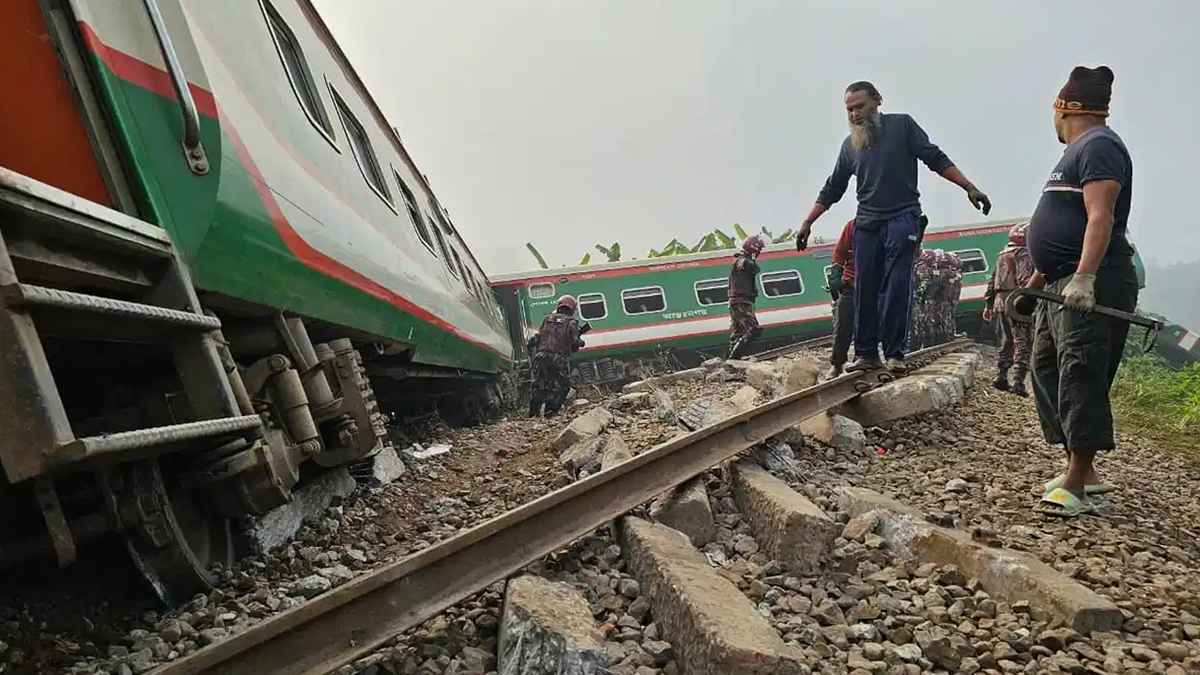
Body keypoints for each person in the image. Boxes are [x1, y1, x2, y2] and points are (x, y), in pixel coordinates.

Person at [795, 81, 991, 372]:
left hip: (903, 217)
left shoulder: (902, 126)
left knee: (897, 286)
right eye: (849, 110)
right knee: (864, 288)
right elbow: (832, 188)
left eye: (859, 107)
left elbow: (934, 158)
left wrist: (969, 187)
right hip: (867, 223)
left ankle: (895, 354)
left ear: (878, 101)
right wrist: (808, 223)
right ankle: (866, 355)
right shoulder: (850, 147)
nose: (854, 114)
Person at [1017, 65, 1137, 517]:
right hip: (1059, 282)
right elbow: (1061, 229)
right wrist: (1035, 282)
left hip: (1093, 279)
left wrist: (1085, 277)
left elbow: (1099, 216)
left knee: (1080, 368)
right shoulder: (1079, 150)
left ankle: (1077, 478)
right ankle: (1079, 467)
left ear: (1064, 107)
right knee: (1044, 365)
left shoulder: (1099, 145)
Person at [983, 223, 1034, 395]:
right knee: (1022, 341)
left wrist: (988, 304)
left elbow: (992, 281)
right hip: (1016, 301)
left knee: (1007, 340)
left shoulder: (1002, 254)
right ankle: (1018, 382)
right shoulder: (1023, 253)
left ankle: (1002, 375)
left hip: (1000, 301)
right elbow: (1025, 279)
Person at [528, 295, 585, 417]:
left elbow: (537, 338)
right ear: (572, 308)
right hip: (558, 359)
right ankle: (551, 412)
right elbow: (575, 342)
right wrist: (581, 341)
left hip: (541, 357)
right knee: (563, 387)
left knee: (539, 385)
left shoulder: (547, 319)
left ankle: (533, 415)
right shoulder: (572, 322)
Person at [826, 219, 856, 377]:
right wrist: (836, 274)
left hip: (874, 285)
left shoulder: (887, 223)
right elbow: (839, 253)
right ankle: (837, 363)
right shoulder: (852, 226)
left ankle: (862, 358)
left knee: (868, 325)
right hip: (851, 285)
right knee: (843, 325)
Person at [728, 235, 765, 358]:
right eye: (759, 249)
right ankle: (734, 358)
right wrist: (752, 258)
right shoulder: (741, 259)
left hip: (738, 301)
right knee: (753, 329)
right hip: (741, 301)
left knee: (738, 333)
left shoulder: (740, 259)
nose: (759, 252)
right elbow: (752, 267)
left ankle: (732, 361)